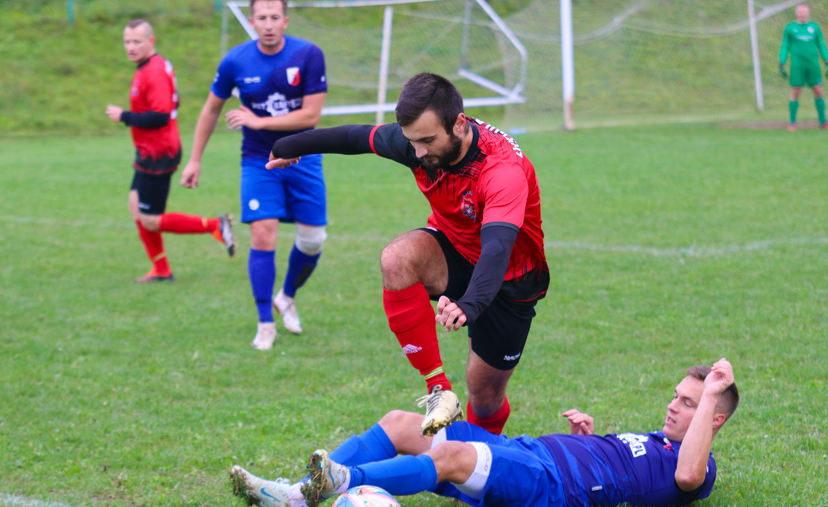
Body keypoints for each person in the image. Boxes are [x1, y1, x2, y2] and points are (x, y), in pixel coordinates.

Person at [267, 73, 549, 436]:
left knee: (485, 396)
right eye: (412, 141)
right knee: (397, 259)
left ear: (459, 124)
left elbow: (497, 248)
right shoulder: (418, 143)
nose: (418, 153)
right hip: (452, 250)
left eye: (427, 141)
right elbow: (355, 137)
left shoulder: (501, 170)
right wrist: (290, 145)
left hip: (510, 277)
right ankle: (439, 390)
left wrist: (470, 304)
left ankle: (481, 463)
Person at [229, 359, 739, 507]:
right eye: (676, 396)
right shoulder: (656, 440)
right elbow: (627, 465)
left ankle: (343, 482)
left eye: (691, 403)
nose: (674, 406)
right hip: (529, 449)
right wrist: (588, 437)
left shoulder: (698, 467)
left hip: (548, 485)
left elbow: (687, 478)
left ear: (714, 419)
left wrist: (714, 388)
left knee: (447, 457)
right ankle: (293, 499)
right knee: (403, 424)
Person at [180, 0, 328, 350]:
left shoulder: (309, 54)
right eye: (261, 17)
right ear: (251, 21)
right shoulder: (235, 60)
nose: (268, 24)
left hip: (302, 157)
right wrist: (194, 160)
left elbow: (310, 116)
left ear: (286, 20)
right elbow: (210, 109)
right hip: (258, 161)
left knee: (313, 241)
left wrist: (259, 121)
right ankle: (265, 322)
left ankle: (287, 296)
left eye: (275, 17)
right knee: (263, 234)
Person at [106, 19, 235, 283]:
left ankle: (215, 225)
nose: (130, 47)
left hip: (158, 153)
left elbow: (160, 116)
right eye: (127, 42)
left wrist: (124, 116)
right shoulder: (150, 66)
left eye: (137, 41)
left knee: (151, 219)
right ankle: (161, 270)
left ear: (151, 41)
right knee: (135, 207)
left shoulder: (152, 71)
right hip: (149, 151)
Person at [779, 3, 828, 131]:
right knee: (796, 91)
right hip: (797, 65)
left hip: (813, 64)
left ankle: (823, 122)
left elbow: (821, 45)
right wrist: (781, 62)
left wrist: (827, 61)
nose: (803, 13)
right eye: (800, 11)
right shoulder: (790, 28)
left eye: (805, 11)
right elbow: (785, 45)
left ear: (808, 13)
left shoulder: (814, 28)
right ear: (797, 13)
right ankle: (792, 122)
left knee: (818, 90)